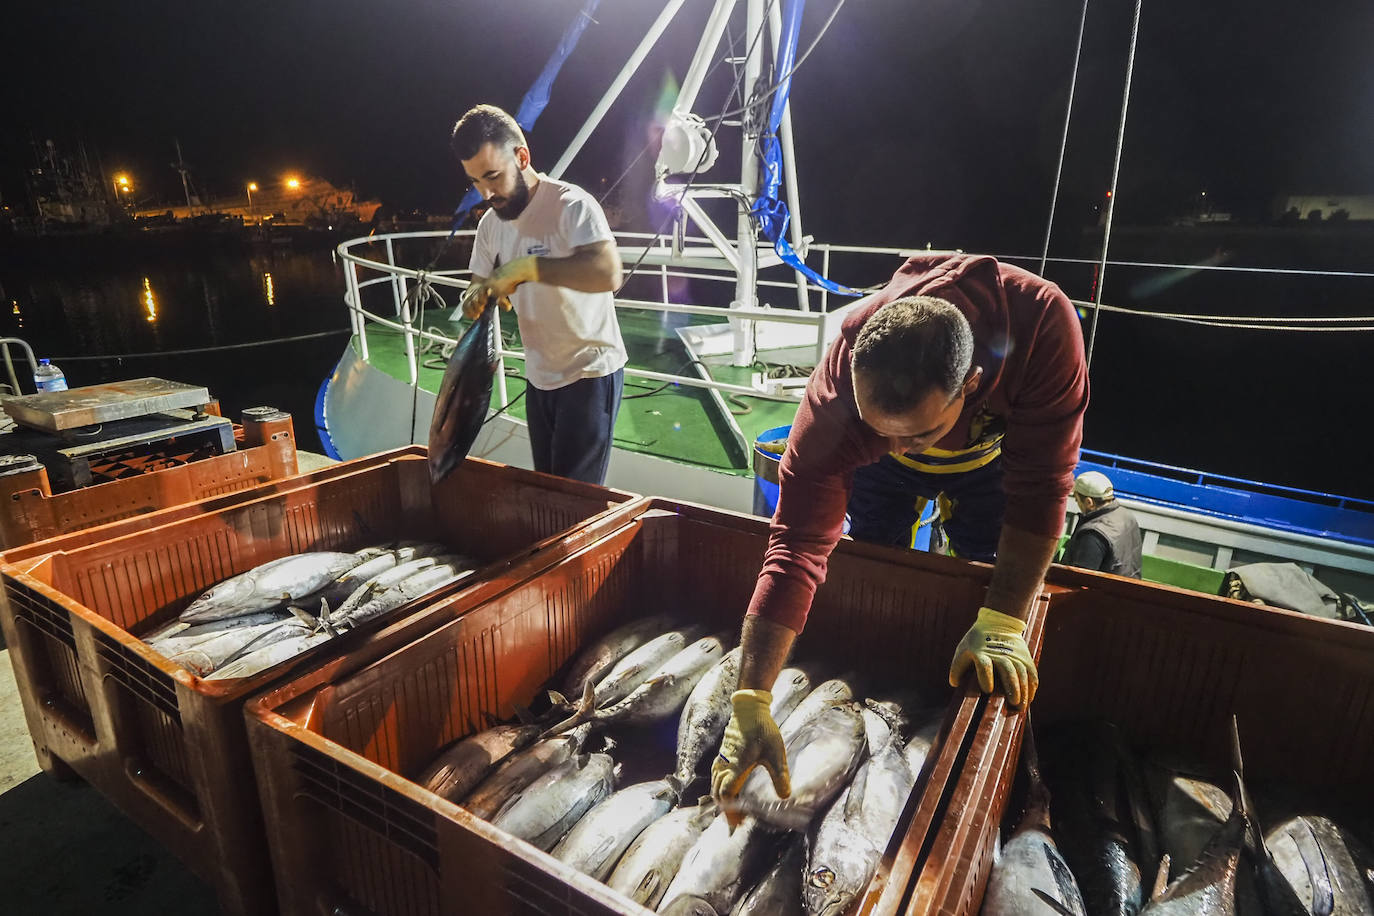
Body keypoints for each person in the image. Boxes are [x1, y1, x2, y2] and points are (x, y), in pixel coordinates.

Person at [710, 253, 1089, 806]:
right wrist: (751, 699)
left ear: (973, 384)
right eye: (876, 427)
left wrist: (1005, 618)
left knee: (987, 581)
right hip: (881, 476)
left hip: (993, 465)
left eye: (915, 432)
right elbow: (796, 545)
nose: (893, 444)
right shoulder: (839, 388)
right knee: (874, 567)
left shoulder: (1043, 327)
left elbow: (1042, 490)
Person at [452, 104, 627, 485]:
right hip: (539, 375)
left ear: (522, 157)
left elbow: (608, 273)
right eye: (476, 182)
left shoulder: (571, 205)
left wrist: (526, 270)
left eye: (493, 177)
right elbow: (474, 290)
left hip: (589, 371)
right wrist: (476, 299)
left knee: (574, 498)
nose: (486, 193)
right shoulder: (489, 226)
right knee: (546, 487)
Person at [1060, 471, 1142, 577]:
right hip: (1128, 588)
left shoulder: (1093, 534)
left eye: (1077, 500)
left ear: (1089, 502)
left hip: (1105, 591)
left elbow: (1078, 579)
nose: (1078, 504)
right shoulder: (1127, 516)